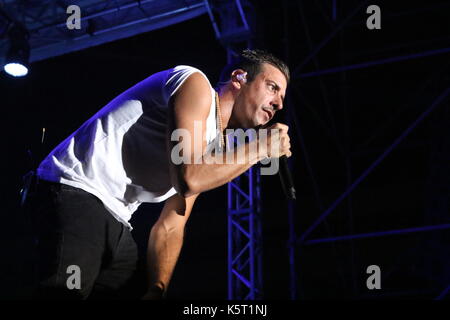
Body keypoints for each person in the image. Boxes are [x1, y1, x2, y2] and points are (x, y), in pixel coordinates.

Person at [27, 49, 291, 299]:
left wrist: (157, 287)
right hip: (75, 189)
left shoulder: (213, 147)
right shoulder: (194, 84)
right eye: (273, 88)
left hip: (118, 217)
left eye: (282, 97)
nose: (278, 103)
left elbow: (171, 225)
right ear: (239, 77)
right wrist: (260, 148)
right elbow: (188, 178)